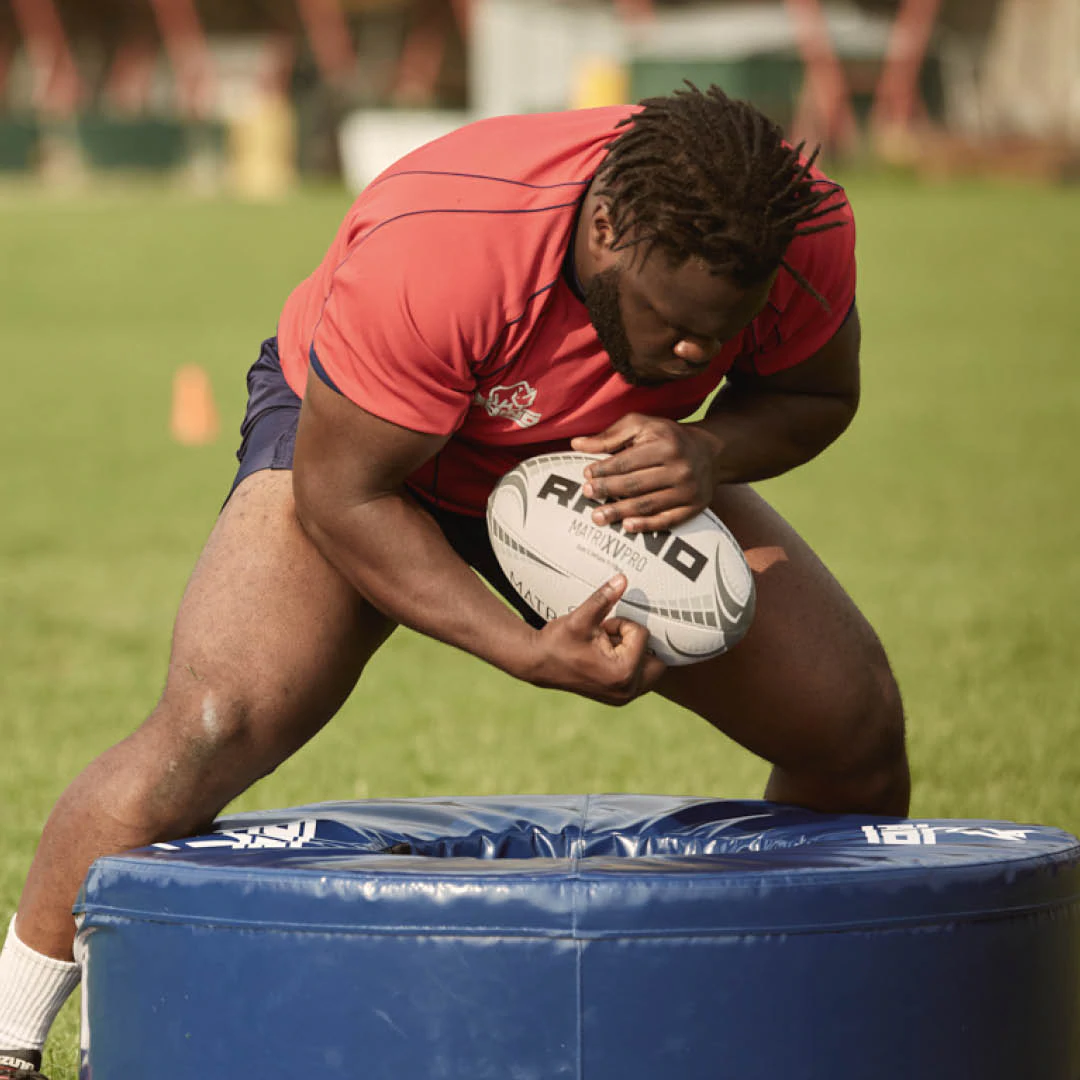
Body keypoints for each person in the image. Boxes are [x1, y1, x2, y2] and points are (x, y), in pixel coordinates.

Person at [0, 83, 908, 1079]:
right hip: (374, 454)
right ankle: (8, 1034)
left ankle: (800, 1025)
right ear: (606, 228)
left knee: (851, 729)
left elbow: (817, 393)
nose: (696, 349)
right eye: (670, 319)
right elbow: (341, 495)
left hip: (591, 469)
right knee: (215, 722)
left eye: (722, 329)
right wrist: (522, 648)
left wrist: (709, 447)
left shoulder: (795, 230)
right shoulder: (446, 241)